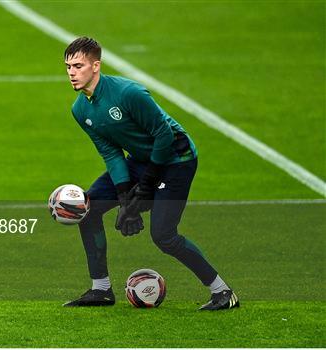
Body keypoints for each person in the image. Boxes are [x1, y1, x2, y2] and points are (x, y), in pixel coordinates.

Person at [62, 37, 239, 311]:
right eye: (68, 67)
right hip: (142, 160)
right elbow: (110, 152)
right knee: (87, 208)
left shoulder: (129, 93)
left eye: (78, 65)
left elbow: (164, 134)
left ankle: (223, 292)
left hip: (176, 159)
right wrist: (124, 199)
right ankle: (101, 290)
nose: (71, 72)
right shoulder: (80, 108)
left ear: (96, 66)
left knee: (164, 235)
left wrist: (145, 190)